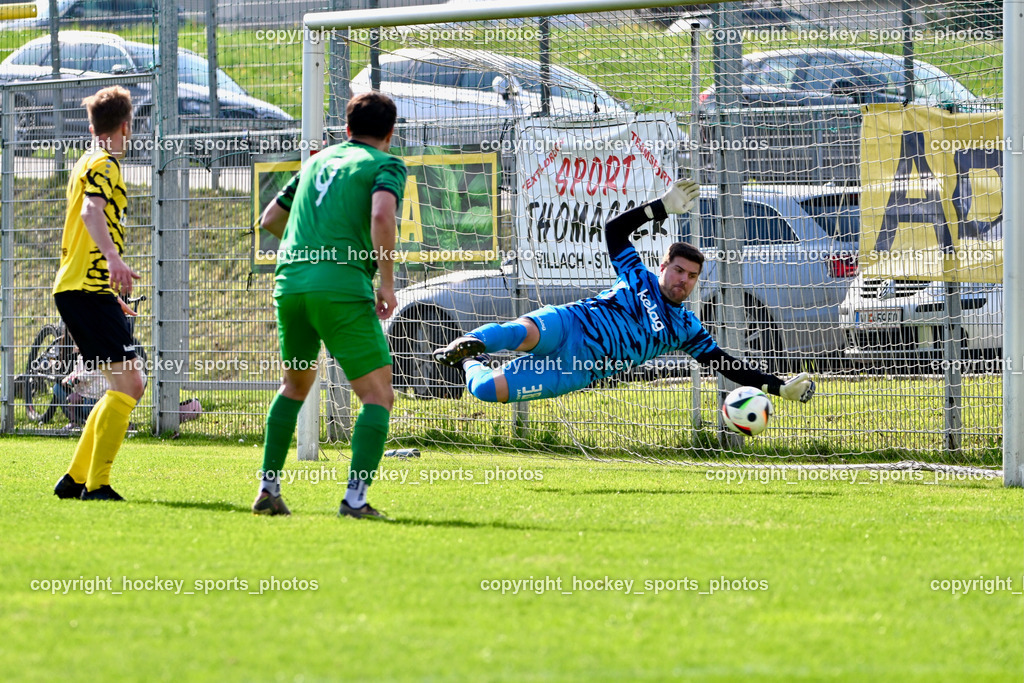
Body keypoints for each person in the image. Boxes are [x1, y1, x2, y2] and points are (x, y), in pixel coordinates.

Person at [433, 180, 816, 407]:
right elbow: (614, 231)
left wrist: (778, 387)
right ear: (663, 266)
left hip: (573, 371)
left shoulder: (686, 329)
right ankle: (467, 343)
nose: (683, 280)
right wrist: (660, 207)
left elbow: (726, 364)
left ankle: (471, 361)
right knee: (522, 332)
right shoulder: (637, 275)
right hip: (570, 323)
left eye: (692, 276)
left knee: (487, 390)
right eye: (678, 270)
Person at [253, 91, 407, 519]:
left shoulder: (316, 162)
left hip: (290, 284)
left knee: (294, 387)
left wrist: (309, 251)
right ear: (391, 133)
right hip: (339, 287)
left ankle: (268, 488)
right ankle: (355, 500)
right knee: (378, 396)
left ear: (347, 128)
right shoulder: (386, 164)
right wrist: (387, 283)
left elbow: (270, 219)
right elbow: (382, 216)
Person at [51, 85, 146, 501]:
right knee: (130, 384)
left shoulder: (86, 161)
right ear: (126, 126)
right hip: (84, 290)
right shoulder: (106, 164)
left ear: (92, 127)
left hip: (84, 289)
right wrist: (113, 260)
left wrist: (108, 291)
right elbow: (92, 211)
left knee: (123, 384)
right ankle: (98, 484)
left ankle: (75, 479)